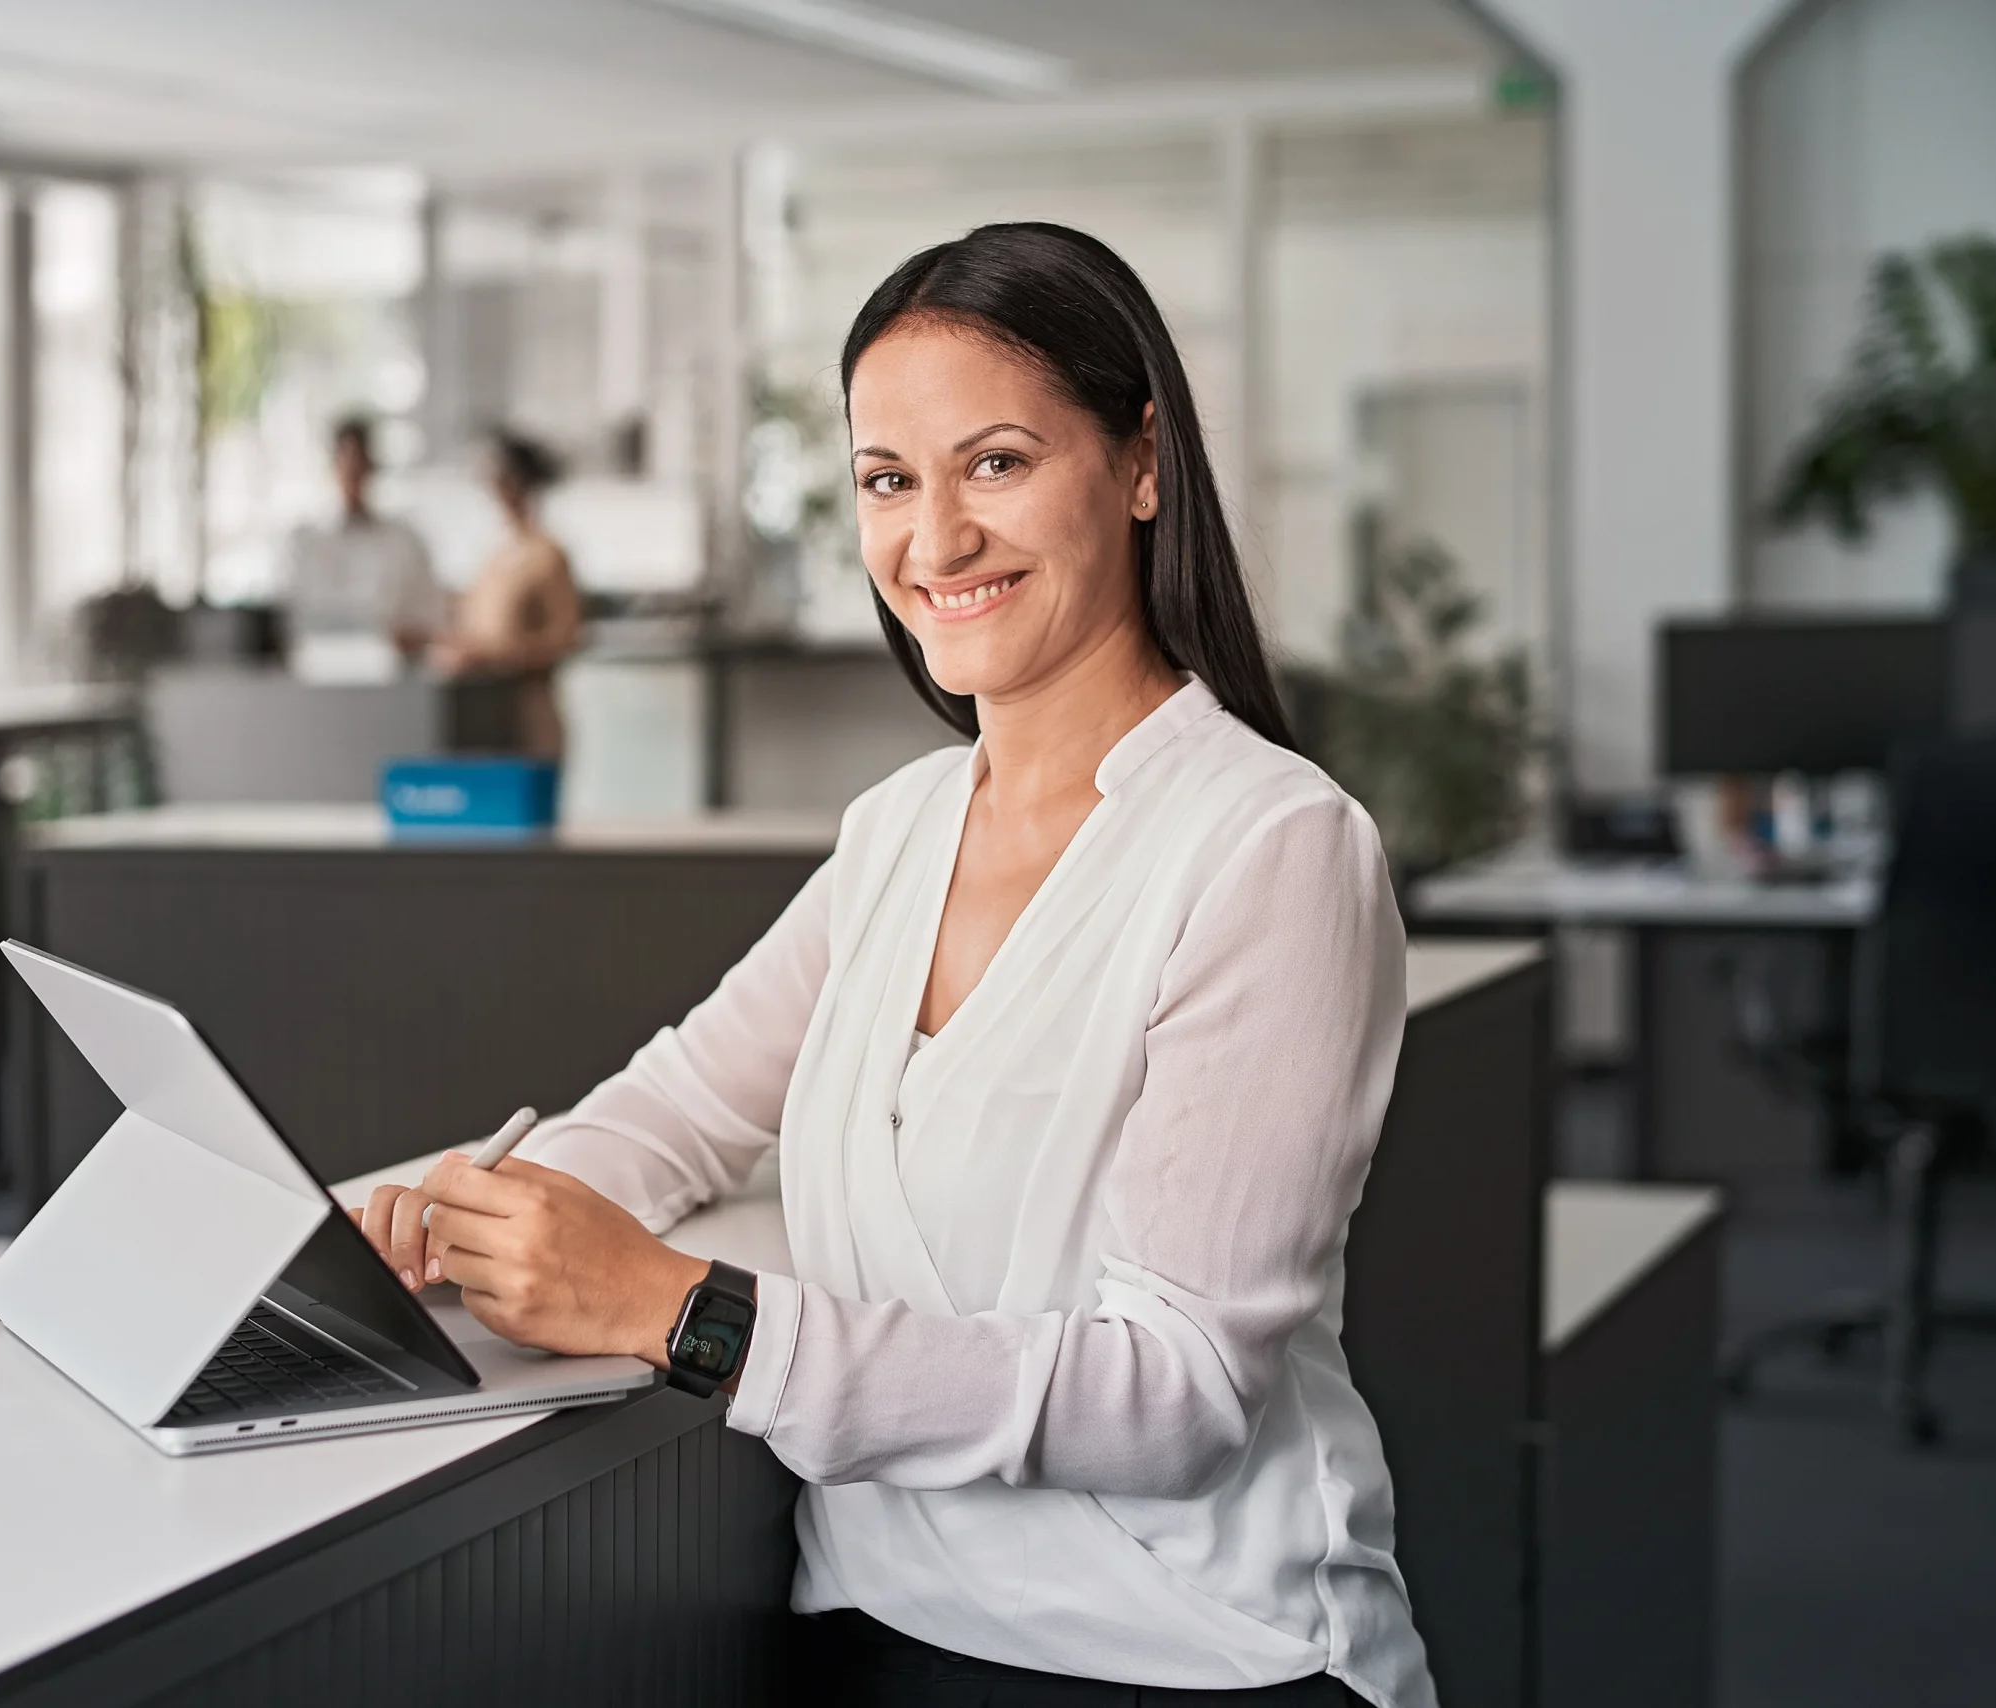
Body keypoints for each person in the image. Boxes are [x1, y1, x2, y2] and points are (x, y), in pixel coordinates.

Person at [359, 223, 1428, 1707]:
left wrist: (684, 1311)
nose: (934, 541)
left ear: (1140, 464)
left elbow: (1176, 1398)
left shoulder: (1270, 848)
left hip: (1185, 1653)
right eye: (887, 481)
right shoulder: (900, 830)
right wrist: (447, 1220)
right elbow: (681, 1110)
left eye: (996, 463)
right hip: (874, 1626)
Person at [431, 428, 583, 756]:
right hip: (486, 710)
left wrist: (492, 655)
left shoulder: (547, 555)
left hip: (530, 712)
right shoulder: (495, 557)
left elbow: (564, 639)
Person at [281, 415, 446, 679]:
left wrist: (403, 639)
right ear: (333, 466)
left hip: (392, 681)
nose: (353, 473)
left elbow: (429, 620)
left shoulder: (404, 541)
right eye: (346, 462)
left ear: (372, 467)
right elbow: (288, 621)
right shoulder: (303, 543)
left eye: (360, 463)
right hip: (314, 678)